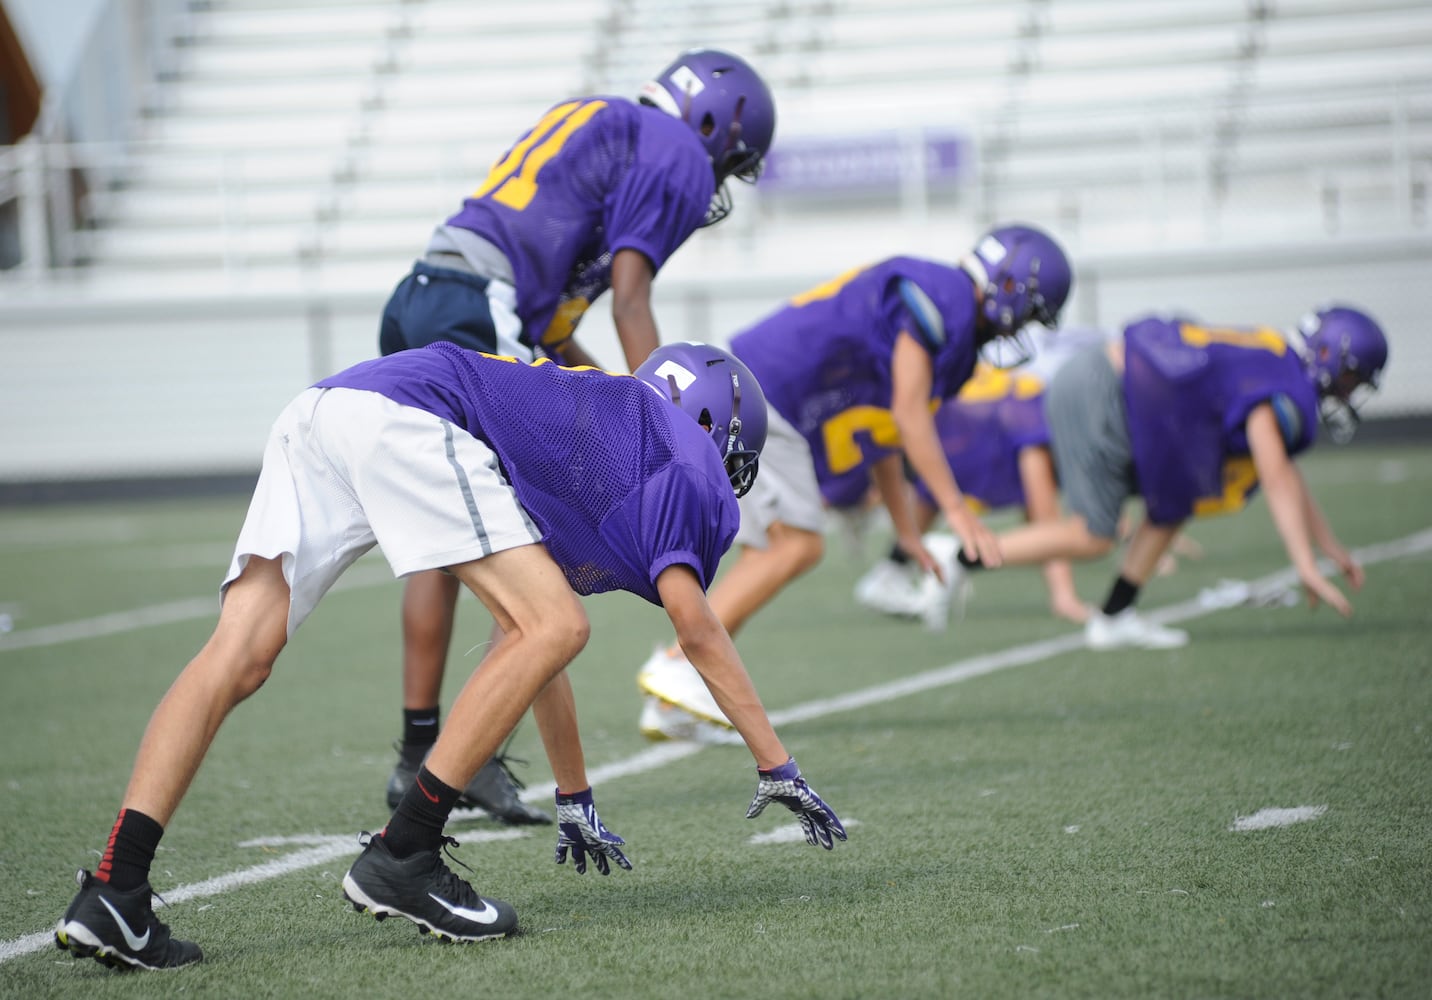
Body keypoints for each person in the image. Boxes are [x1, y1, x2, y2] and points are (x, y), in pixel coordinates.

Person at [54, 341, 845, 972]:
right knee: (557, 624)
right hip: (407, 417)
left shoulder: (591, 425)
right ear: (712, 426)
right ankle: (404, 854)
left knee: (240, 653)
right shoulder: (676, 449)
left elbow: (522, 641)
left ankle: (116, 891)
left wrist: (575, 793)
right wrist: (777, 765)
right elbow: (696, 629)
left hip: (327, 406)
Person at [375, 48, 776, 822]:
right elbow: (631, 303)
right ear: (714, 128)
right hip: (478, 301)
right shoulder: (674, 154)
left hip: (427, 291)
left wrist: (611, 396)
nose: (719, 175)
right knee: (521, 539)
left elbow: (559, 346)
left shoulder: (608, 124)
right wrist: (660, 432)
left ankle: (417, 750)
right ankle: (467, 756)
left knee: (451, 528)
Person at [636, 224, 1074, 741]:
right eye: (1029, 310)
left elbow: (885, 429)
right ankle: (677, 665)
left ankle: (674, 699)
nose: (1018, 328)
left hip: (766, 389)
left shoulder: (947, 319)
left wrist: (907, 533)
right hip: (766, 391)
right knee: (797, 546)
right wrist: (955, 510)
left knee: (776, 550)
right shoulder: (945, 297)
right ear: (1010, 288)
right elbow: (910, 416)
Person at [941, 304, 1389, 650]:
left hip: (1107, 385)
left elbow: (1283, 470)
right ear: (1329, 356)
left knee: (1179, 496)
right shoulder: (1283, 383)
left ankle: (1115, 615)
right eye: (1351, 378)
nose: (1346, 391)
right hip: (1106, 393)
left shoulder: (1272, 355)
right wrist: (1304, 564)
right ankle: (960, 555)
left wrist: (1326, 544)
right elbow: (1274, 472)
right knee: (1093, 535)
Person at [844, 357, 1093, 629]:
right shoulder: (1036, 421)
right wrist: (1064, 595)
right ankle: (935, 561)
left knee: (930, 498)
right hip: (958, 428)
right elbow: (1044, 516)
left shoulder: (1036, 402)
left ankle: (890, 571)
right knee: (943, 497)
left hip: (949, 419)